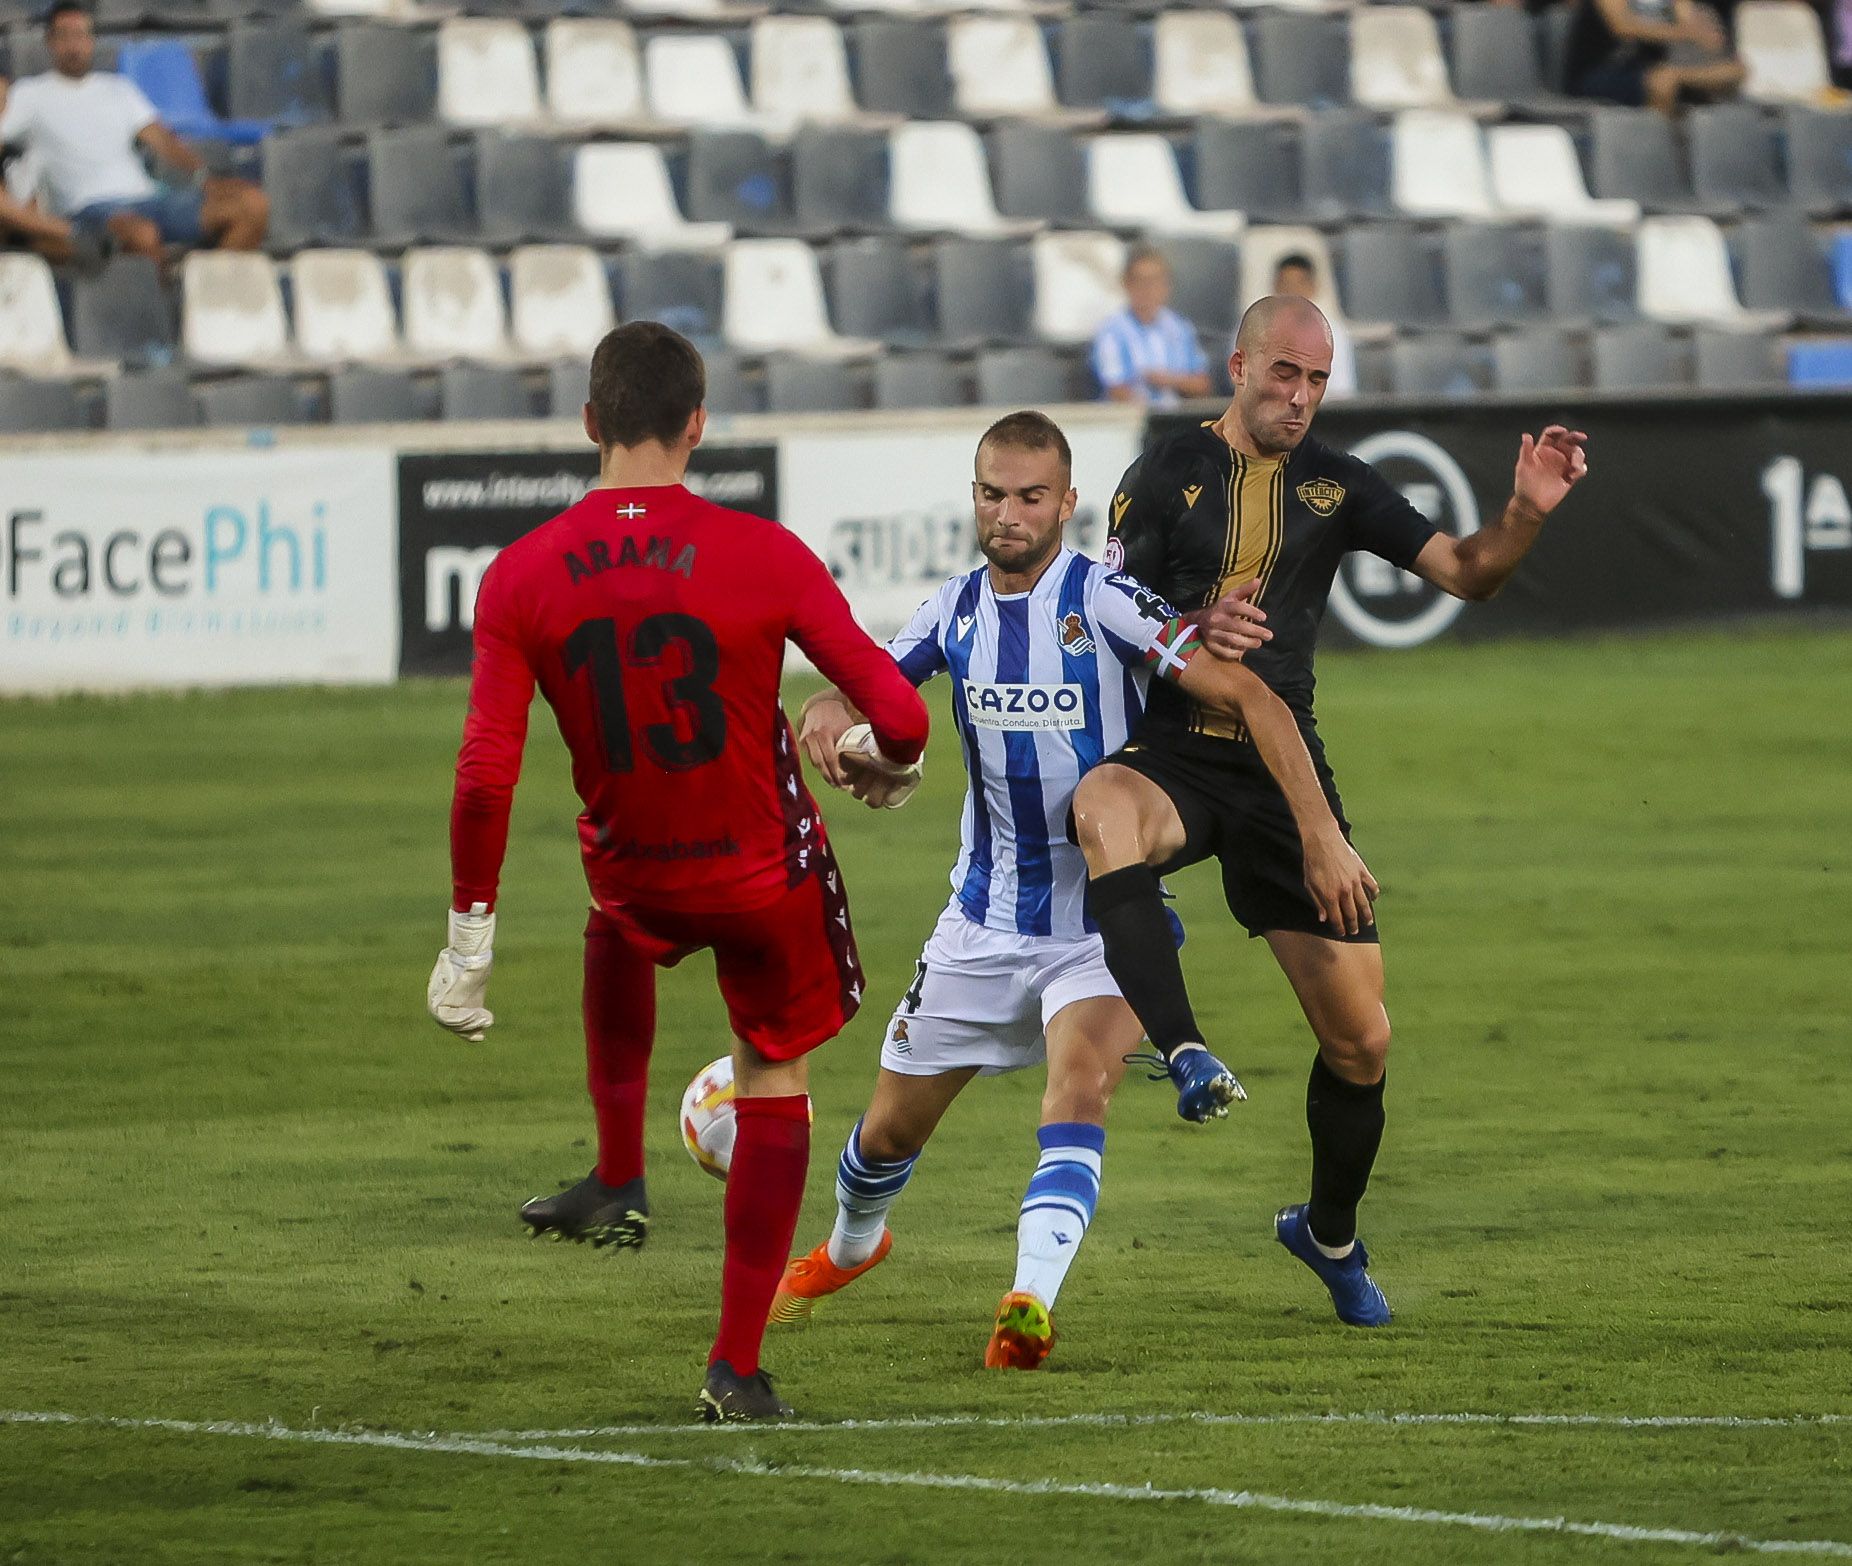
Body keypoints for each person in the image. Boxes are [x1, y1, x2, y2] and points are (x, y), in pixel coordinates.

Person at [768, 411, 1374, 1370]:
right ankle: (850, 1247)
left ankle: (1027, 1304)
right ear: (974, 498)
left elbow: (1242, 689)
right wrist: (828, 721)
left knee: (1081, 1086)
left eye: (1031, 497)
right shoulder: (950, 611)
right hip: (979, 924)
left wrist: (1316, 829)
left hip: (1099, 924)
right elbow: (863, 691)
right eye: (992, 495)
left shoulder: (1108, 601)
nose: (1009, 514)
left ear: (1067, 504)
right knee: (886, 1135)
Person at [428, 321, 931, 1423]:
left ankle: (618, 1178)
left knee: (612, 922)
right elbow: (899, 713)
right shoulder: (764, 553)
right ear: (697, 427)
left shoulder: (517, 576)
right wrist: (875, 760)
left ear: (589, 425)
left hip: (635, 873)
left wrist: (468, 941)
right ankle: (734, 1366)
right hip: (759, 883)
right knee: (772, 1070)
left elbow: (483, 777)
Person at [1072, 294, 1588, 1328]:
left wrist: (1525, 510)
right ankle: (1173, 1032)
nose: (1301, 397)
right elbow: (1104, 609)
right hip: (1173, 750)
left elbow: (1466, 572)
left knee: (1361, 1044)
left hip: (1279, 777)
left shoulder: (1338, 486)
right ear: (1237, 365)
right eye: (1284, 375)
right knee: (1102, 808)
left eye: (1317, 379)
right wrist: (1186, 622)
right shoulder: (1163, 472)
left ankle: (1328, 1232)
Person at [0, 2, 267, 264]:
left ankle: (203, 293)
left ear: (92, 40)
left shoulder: (119, 89)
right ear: (50, 42)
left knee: (252, 205)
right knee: (142, 234)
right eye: (64, 36)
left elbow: (162, 139)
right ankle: (161, 302)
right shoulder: (29, 94)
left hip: (148, 198)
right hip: (89, 208)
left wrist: (204, 177)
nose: (74, 45)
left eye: (81, 35)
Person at [1565, 0, 1746, 113]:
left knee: (1730, 73)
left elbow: (1681, 15)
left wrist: (1702, 28)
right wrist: (1689, 32)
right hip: (1598, 73)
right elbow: (1623, 27)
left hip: (1647, 68)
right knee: (1661, 83)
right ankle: (1659, 152)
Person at [1090, 247, 1213, 408]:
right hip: (1131, 422)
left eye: (1156, 281)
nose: (1148, 288)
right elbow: (1115, 390)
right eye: (1141, 281)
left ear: (1167, 286)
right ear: (1126, 284)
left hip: (1178, 419)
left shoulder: (1180, 328)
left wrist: (1168, 380)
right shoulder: (1112, 331)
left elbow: (1202, 386)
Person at [1269, 253, 1355, 401]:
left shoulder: (1333, 333)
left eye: (1299, 285)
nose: (1292, 292)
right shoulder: (1255, 327)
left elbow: (1341, 393)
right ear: (1275, 286)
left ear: (1312, 287)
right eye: (1285, 284)